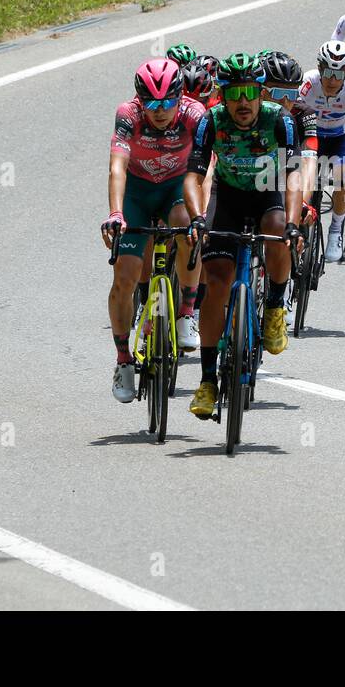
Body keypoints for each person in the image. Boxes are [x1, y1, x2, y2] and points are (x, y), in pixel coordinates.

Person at [183, 54, 298, 419]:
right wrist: (198, 218)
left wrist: (295, 222)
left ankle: (276, 306)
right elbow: (193, 176)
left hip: (267, 188)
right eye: (234, 94)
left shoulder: (279, 119)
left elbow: (295, 174)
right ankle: (206, 381)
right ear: (223, 95)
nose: (243, 102)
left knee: (279, 231)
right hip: (227, 194)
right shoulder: (210, 121)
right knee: (217, 283)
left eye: (250, 92)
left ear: (261, 92)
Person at [99, 58, 207, 403]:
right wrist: (116, 213)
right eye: (152, 104)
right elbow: (117, 165)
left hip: (177, 186)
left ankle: (186, 314)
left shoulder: (195, 114)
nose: (159, 111)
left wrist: (200, 215)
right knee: (125, 278)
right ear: (139, 100)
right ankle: (123, 360)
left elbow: (208, 167)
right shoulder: (128, 115)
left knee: (188, 228)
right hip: (137, 191)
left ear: (179, 97)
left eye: (166, 103)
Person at [301, 41, 345, 263]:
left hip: (340, 139)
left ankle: (335, 231)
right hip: (311, 137)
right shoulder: (308, 83)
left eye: (338, 74)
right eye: (327, 72)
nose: (332, 79)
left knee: (343, 180)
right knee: (294, 180)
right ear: (319, 69)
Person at [259, 50, 318, 234]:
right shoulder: (247, 113)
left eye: (291, 94)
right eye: (277, 93)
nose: (285, 101)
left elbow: (309, 161)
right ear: (261, 91)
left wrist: (303, 202)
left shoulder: (304, 114)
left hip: (289, 168)